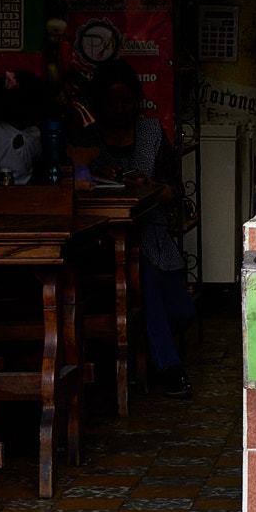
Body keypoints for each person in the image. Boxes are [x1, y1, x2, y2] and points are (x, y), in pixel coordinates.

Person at [82, 58, 196, 400]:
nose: (120, 109)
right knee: (140, 269)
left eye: (126, 101)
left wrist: (148, 185)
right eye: (112, 102)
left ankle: (151, 350)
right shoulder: (85, 140)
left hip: (156, 234)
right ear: (98, 103)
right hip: (102, 242)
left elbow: (173, 192)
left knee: (182, 313)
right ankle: (170, 368)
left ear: (136, 100)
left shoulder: (150, 133)